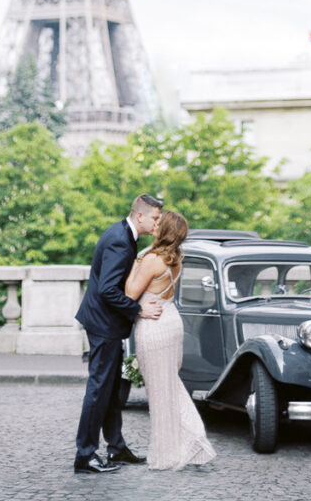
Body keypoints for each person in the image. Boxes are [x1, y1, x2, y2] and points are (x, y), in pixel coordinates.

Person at [73, 194, 163, 474]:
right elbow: (108, 290)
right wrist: (138, 310)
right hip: (103, 325)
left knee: (110, 390)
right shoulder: (120, 240)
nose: (158, 223)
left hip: (107, 323)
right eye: (156, 218)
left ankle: (116, 448)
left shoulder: (123, 234)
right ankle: (85, 455)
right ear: (140, 217)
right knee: (99, 389)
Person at [125, 210, 216, 471]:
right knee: (169, 384)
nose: (154, 223)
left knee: (160, 391)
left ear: (164, 230)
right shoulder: (176, 258)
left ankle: (173, 450)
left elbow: (130, 293)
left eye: (158, 222)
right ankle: (189, 437)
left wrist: (135, 263)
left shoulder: (152, 259)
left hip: (155, 325)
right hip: (171, 321)